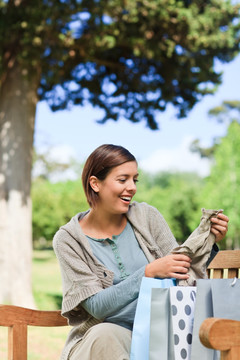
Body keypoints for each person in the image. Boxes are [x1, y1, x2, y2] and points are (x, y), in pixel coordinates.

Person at [53, 144, 229, 360]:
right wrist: (148, 272)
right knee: (105, 334)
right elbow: (97, 307)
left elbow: (181, 274)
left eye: (134, 180)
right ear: (95, 183)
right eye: (122, 179)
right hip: (105, 341)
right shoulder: (69, 240)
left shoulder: (147, 217)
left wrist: (207, 242)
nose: (132, 187)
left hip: (159, 337)